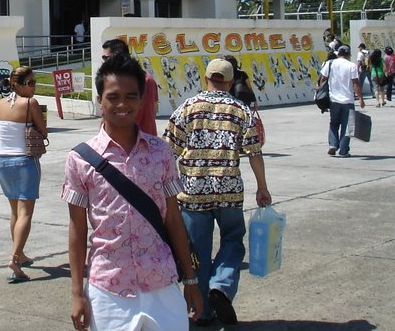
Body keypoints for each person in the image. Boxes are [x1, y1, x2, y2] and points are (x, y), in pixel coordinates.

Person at [64, 54, 202, 331]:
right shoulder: (79, 159)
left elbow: (174, 219)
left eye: (131, 96)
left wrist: (190, 281)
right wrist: (77, 293)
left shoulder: (161, 152)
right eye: (113, 97)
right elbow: (77, 230)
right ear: (100, 101)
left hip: (162, 282)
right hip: (108, 289)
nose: (122, 104)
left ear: (141, 101)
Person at [164, 58, 271, 327]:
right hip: (229, 190)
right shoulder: (241, 110)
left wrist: (165, 190)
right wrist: (262, 187)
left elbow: (168, 152)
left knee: (197, 252)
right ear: (231, 80)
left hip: (193, 191)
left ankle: (200, 310)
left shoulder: (187, 108)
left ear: (206, 77)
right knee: (233, 240)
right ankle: (221, 287)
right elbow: (254, 153)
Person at [0, 65, 46, 283]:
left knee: (14, 211)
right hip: (25, 159)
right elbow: (43, 130)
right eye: (30, 83)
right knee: (25, 213)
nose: (33, 87)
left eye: (34, 82)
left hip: (2, 161)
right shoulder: (30, 103)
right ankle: (14, 258)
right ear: (16, 85)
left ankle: (20, 253)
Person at [102, 38, 158, 135]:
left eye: (106, 58)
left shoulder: (114, 82)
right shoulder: (149, 80)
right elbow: (154, 109)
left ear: (118, 56)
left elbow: (106, 115)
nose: (104, 62)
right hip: (149, 140)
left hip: (122, 141)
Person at [318, 45, 365, 157]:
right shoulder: (351, 65)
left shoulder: (330, 63)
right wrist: (361, 99)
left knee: (333, 123)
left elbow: (323, 79)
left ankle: (333, 145)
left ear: (338, 53)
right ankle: (344, 151)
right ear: (348, 54)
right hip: (348, 100)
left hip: (334, 100)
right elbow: (355, 82)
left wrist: (320, 91)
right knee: (348, 127)